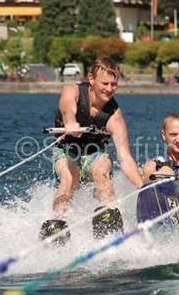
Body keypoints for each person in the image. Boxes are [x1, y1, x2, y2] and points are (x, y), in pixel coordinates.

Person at [48, 57, 143, 235]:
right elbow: (67, 107)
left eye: (114, 84)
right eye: (104, 83)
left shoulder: (114, 116)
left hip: (94, 153)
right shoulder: (72, 91)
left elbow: (125, 158)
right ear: (91, 80)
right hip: (66, 151)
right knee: (70, 178)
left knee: (102, 170)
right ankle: (58, 222)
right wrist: (70, 122)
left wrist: (143, 188)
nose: (109, 89)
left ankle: (107, 216)